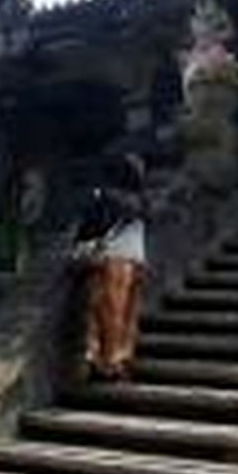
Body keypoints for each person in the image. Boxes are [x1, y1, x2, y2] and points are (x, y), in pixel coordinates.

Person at [75, 151, 147, 380]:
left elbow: (90, 227)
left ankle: (108, 359)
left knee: (108, 309)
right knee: (124, 311)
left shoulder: (105, 196)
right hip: (135, 258)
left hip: (113, 256)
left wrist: (80, 246)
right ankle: (118, 357)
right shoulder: (140, 200)